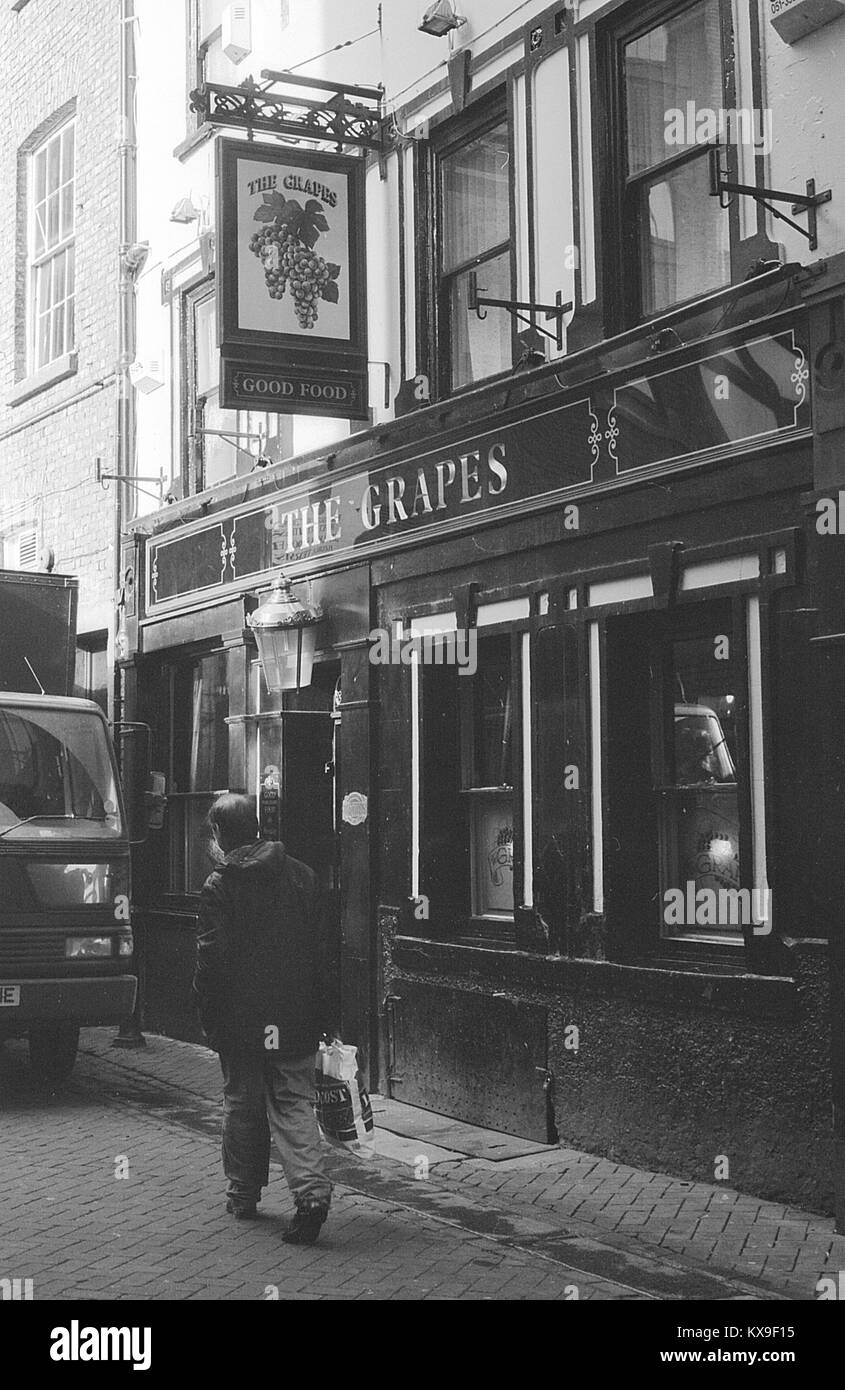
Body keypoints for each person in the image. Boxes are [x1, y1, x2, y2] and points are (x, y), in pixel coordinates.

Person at [192, 792, 334, 1245]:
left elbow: (210, 962)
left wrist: (209, 1017)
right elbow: (323, 953)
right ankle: (311, 1197)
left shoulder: (220, 886)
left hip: (241, 1019)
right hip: (295, 1016)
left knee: (242, 1105)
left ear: (219, 834)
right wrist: (325, 1013)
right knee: (294, 1104)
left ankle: (243, 1193)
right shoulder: (302, 876)